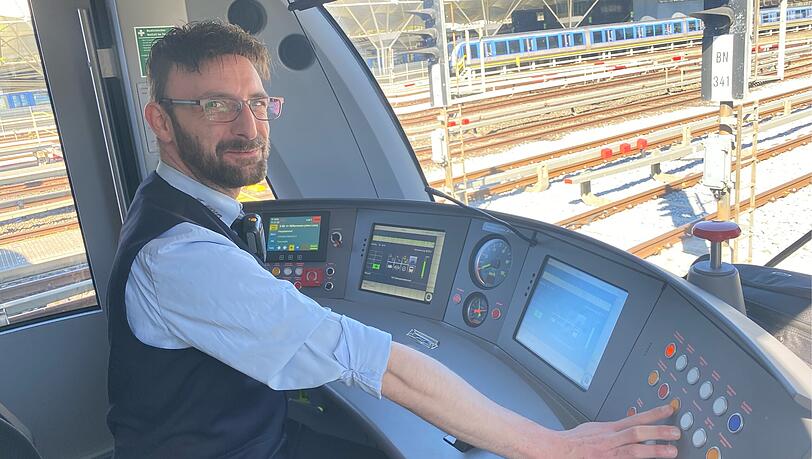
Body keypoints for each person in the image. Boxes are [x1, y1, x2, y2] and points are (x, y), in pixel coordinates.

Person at [106, 20, 681, 459]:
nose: (249, 127)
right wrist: (554, 445)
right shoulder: (180, 256)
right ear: (160, 121)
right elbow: (383, 367)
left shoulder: (173, 208)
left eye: (257, 103)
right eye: (215, 106)